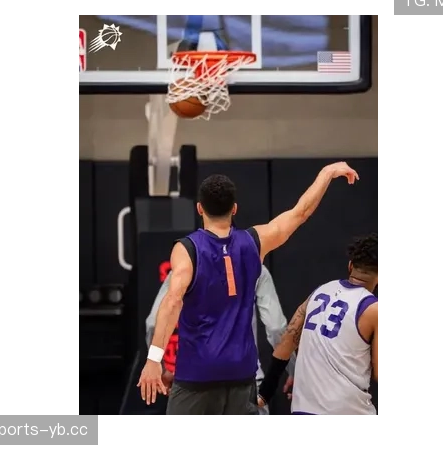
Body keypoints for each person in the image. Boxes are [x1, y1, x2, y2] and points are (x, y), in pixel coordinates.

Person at [137, 162, 359, 415]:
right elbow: (301, 212)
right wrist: (327, 173)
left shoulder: (187, 250)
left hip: (196, 378)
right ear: (234, 208)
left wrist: (154, 359)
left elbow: (172, 302)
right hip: (242, 376)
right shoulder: (254, 242)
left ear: (199, 208)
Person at [145, 265, 296, 415]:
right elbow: (276, 328)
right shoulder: (255, 266)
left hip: (195, 381)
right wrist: (293, 370)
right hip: (244, 378)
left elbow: (153, 323)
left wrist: (160, 367)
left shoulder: (185, 266)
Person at [257, 233, 380, 415]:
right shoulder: (375, 309)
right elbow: (380, 373)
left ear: (350, 265)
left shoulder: (320, 291)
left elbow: (286, 341)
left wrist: (265, 392)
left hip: (303, 409)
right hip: (348, 410)